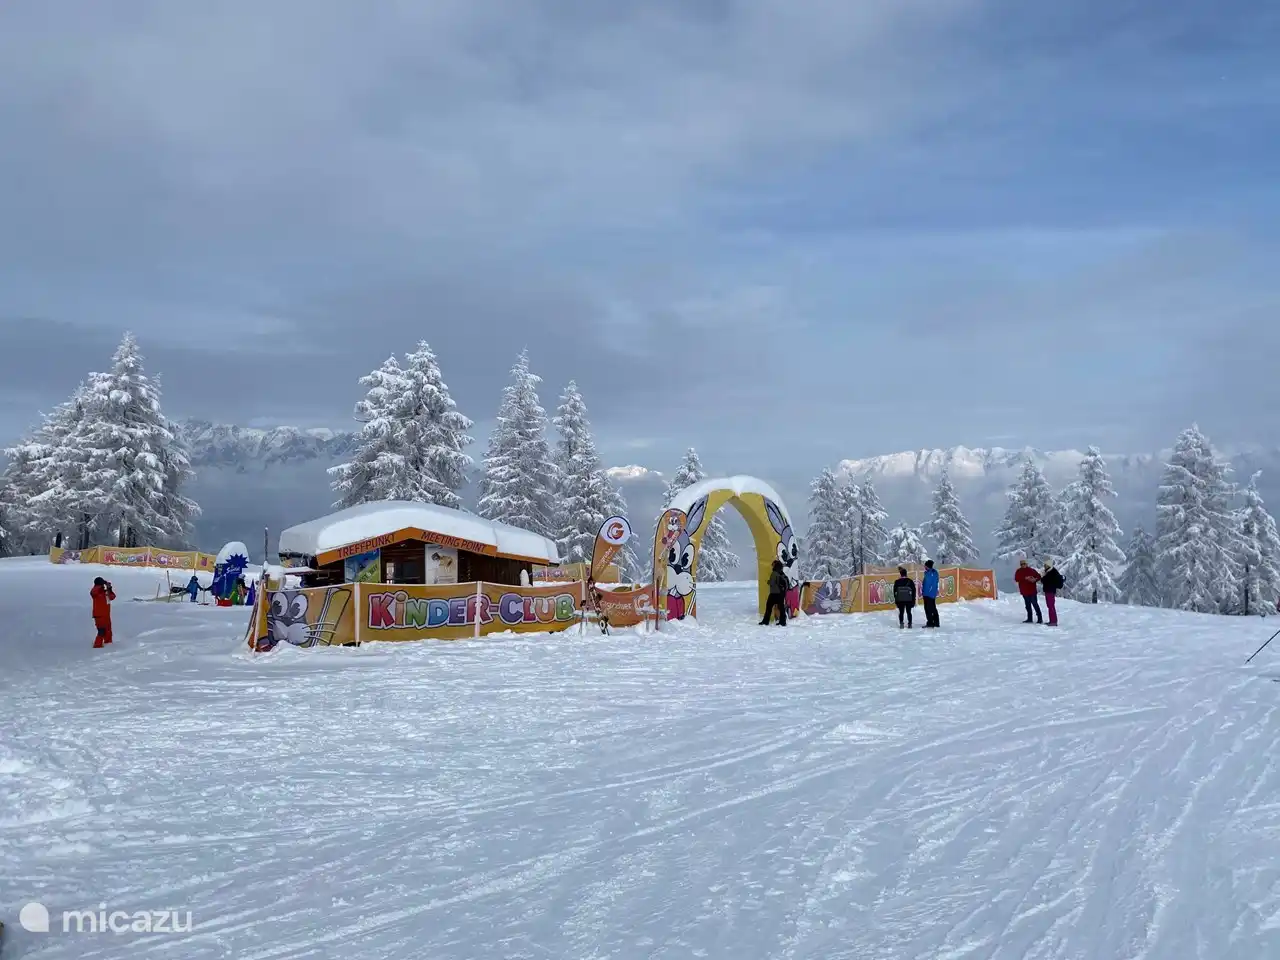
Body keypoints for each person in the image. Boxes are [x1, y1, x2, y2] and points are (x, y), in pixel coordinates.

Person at [760, 559, 789, 626]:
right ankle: (783, 622)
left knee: (768, 607)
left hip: (774, 593)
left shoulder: (774, 573)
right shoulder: (781, 572)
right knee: (781, 608)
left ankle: (765, 621)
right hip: (781, 593)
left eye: (773, 565)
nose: (772, 566)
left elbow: (772, 583)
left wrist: (769, 582)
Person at [1014, 558, 1043, 623]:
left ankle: (1040, 619)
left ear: (1026, 564)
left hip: (1032, 591)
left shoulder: (1031, 570)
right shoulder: (1018, 571)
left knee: (1035, 604)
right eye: (1022, 564)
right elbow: (1016, 579)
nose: (1023, 565)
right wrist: (1024, 578)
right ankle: (1030, 618)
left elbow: (1038, 576)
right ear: (1020, 565)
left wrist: (1034, 579)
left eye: (1024, 564)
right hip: (1024, 592)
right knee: (1027, 605)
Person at [91, 576, 116, 648]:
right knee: (102, 630)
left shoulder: (105, 592)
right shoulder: (96, 593)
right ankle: (97, 645)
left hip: (106, 615)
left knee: (108, 630)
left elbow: (113, 597)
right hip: (99, 615)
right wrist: (100, 586)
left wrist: (110, 589)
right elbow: (93, 592)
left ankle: (108, 644)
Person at [1040, 560, 1064, 626]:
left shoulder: (1051, 572)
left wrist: (1043, 577)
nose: (1044, 566)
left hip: (1050, 591)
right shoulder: (1050, 571)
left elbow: (1046, 581)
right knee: (1050, 606)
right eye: (1044, 565)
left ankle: (1053, 621)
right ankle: (1052, 620)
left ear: (1049, 565)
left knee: (1051, 606)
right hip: (1049, 590)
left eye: (1046, 565)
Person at [921, 559, 940, 628]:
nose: (924, 567)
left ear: (927, 566)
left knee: (928, 608)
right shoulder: (935, 573)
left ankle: (930, 622)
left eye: (925, 566)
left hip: (927, 594)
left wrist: (923, 592)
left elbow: (926, 584)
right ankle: (936, 622)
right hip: (932, 593)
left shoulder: (928, 574)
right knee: (933, 608)